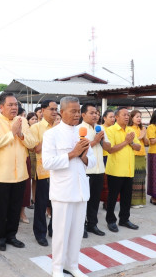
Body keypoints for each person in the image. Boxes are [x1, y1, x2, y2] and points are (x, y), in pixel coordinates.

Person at [42, 96, 96, 277]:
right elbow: (47, 163)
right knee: (61, 232)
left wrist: (83, 156)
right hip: (63, 191)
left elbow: (93, 161)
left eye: (78, 111)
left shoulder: (84, 133)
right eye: (72, 111)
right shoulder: (52, 134)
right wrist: (72, 153)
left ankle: (72, 265)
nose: (76, 114)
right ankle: (57, 267)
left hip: (81, 190)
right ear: (61, 112)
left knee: (77, 231)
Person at [0, 93, 36, 251]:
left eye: (16, 105)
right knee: (1, 209)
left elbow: (32, 143)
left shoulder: (23, 122)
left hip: (20, 173)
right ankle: (0, 237)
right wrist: (12, 133)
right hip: (1, 174)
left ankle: (12, 235)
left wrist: (20, 134)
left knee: (15, 207)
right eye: (10, 105)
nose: (14, 107)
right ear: (1, 107)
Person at [105, 107, 141, 233]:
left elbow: (138, 146)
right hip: (115, 170)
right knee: (113, 197)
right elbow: (111, 149)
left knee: (127, 197)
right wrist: (126, 142)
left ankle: (124, 219)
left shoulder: (131, 130)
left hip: (129, 170)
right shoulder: (110, 130)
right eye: (124, 115)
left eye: (128, 115)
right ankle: (110, 220)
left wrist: (130, 143)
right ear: (116, 117)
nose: (127, 117)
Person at [79, 104, 111, 238]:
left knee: (95, 200)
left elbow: (108, 147)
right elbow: (80, 149)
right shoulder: (79, 129)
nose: (95, 115)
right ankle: (82, 227)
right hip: (86, 170)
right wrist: (95, 140)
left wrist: (101, 140)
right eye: (92, 113)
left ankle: (93, 224)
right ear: (83, 115)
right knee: (83, 201)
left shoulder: (101, 128)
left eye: (97, 113)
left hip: (99, 169)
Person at [30, 100, 58, 247]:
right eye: (51, 109)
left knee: (57, 203)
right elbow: (36, 149)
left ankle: (53, 229)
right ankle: (40, 233)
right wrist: (50, 135)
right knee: (41, 205)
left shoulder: (60, 127)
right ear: (42, 110)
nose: (54, 112)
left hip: (59, 170)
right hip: (43, 171)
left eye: (56, 109)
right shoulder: (36, 128)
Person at [128, 110, 148, 208]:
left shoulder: (142, 128)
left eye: (140, 117)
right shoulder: (129, 128)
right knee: (135, 178)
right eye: (137, 117)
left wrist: (144, 134)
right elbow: (132, 142)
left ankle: (140, 201)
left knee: (142, 178)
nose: (139, 118)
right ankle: (133, 202)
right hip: (134, 155)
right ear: (132, 118)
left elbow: (147, 142)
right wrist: (142, 135)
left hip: (142, 155)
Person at [101, 109, 116, 209]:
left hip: (113, 156)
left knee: (112, 181)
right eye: (110, 117)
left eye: (114, 117)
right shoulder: (100, 128)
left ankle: (110, 201)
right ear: (104, 118)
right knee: (103, 181)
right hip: (103, 156)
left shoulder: (115, 128)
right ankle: (104, 201)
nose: (113, 119)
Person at [26, 112, 38, 210]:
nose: (34, 121)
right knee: (30, 178)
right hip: (30, 155)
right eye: (32, 119)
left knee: (36, 179)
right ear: (28, 121)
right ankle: (30, 199)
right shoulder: (27, 131)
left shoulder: (38, 130)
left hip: (37, 156)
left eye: (36, 119)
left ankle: (34, 199)